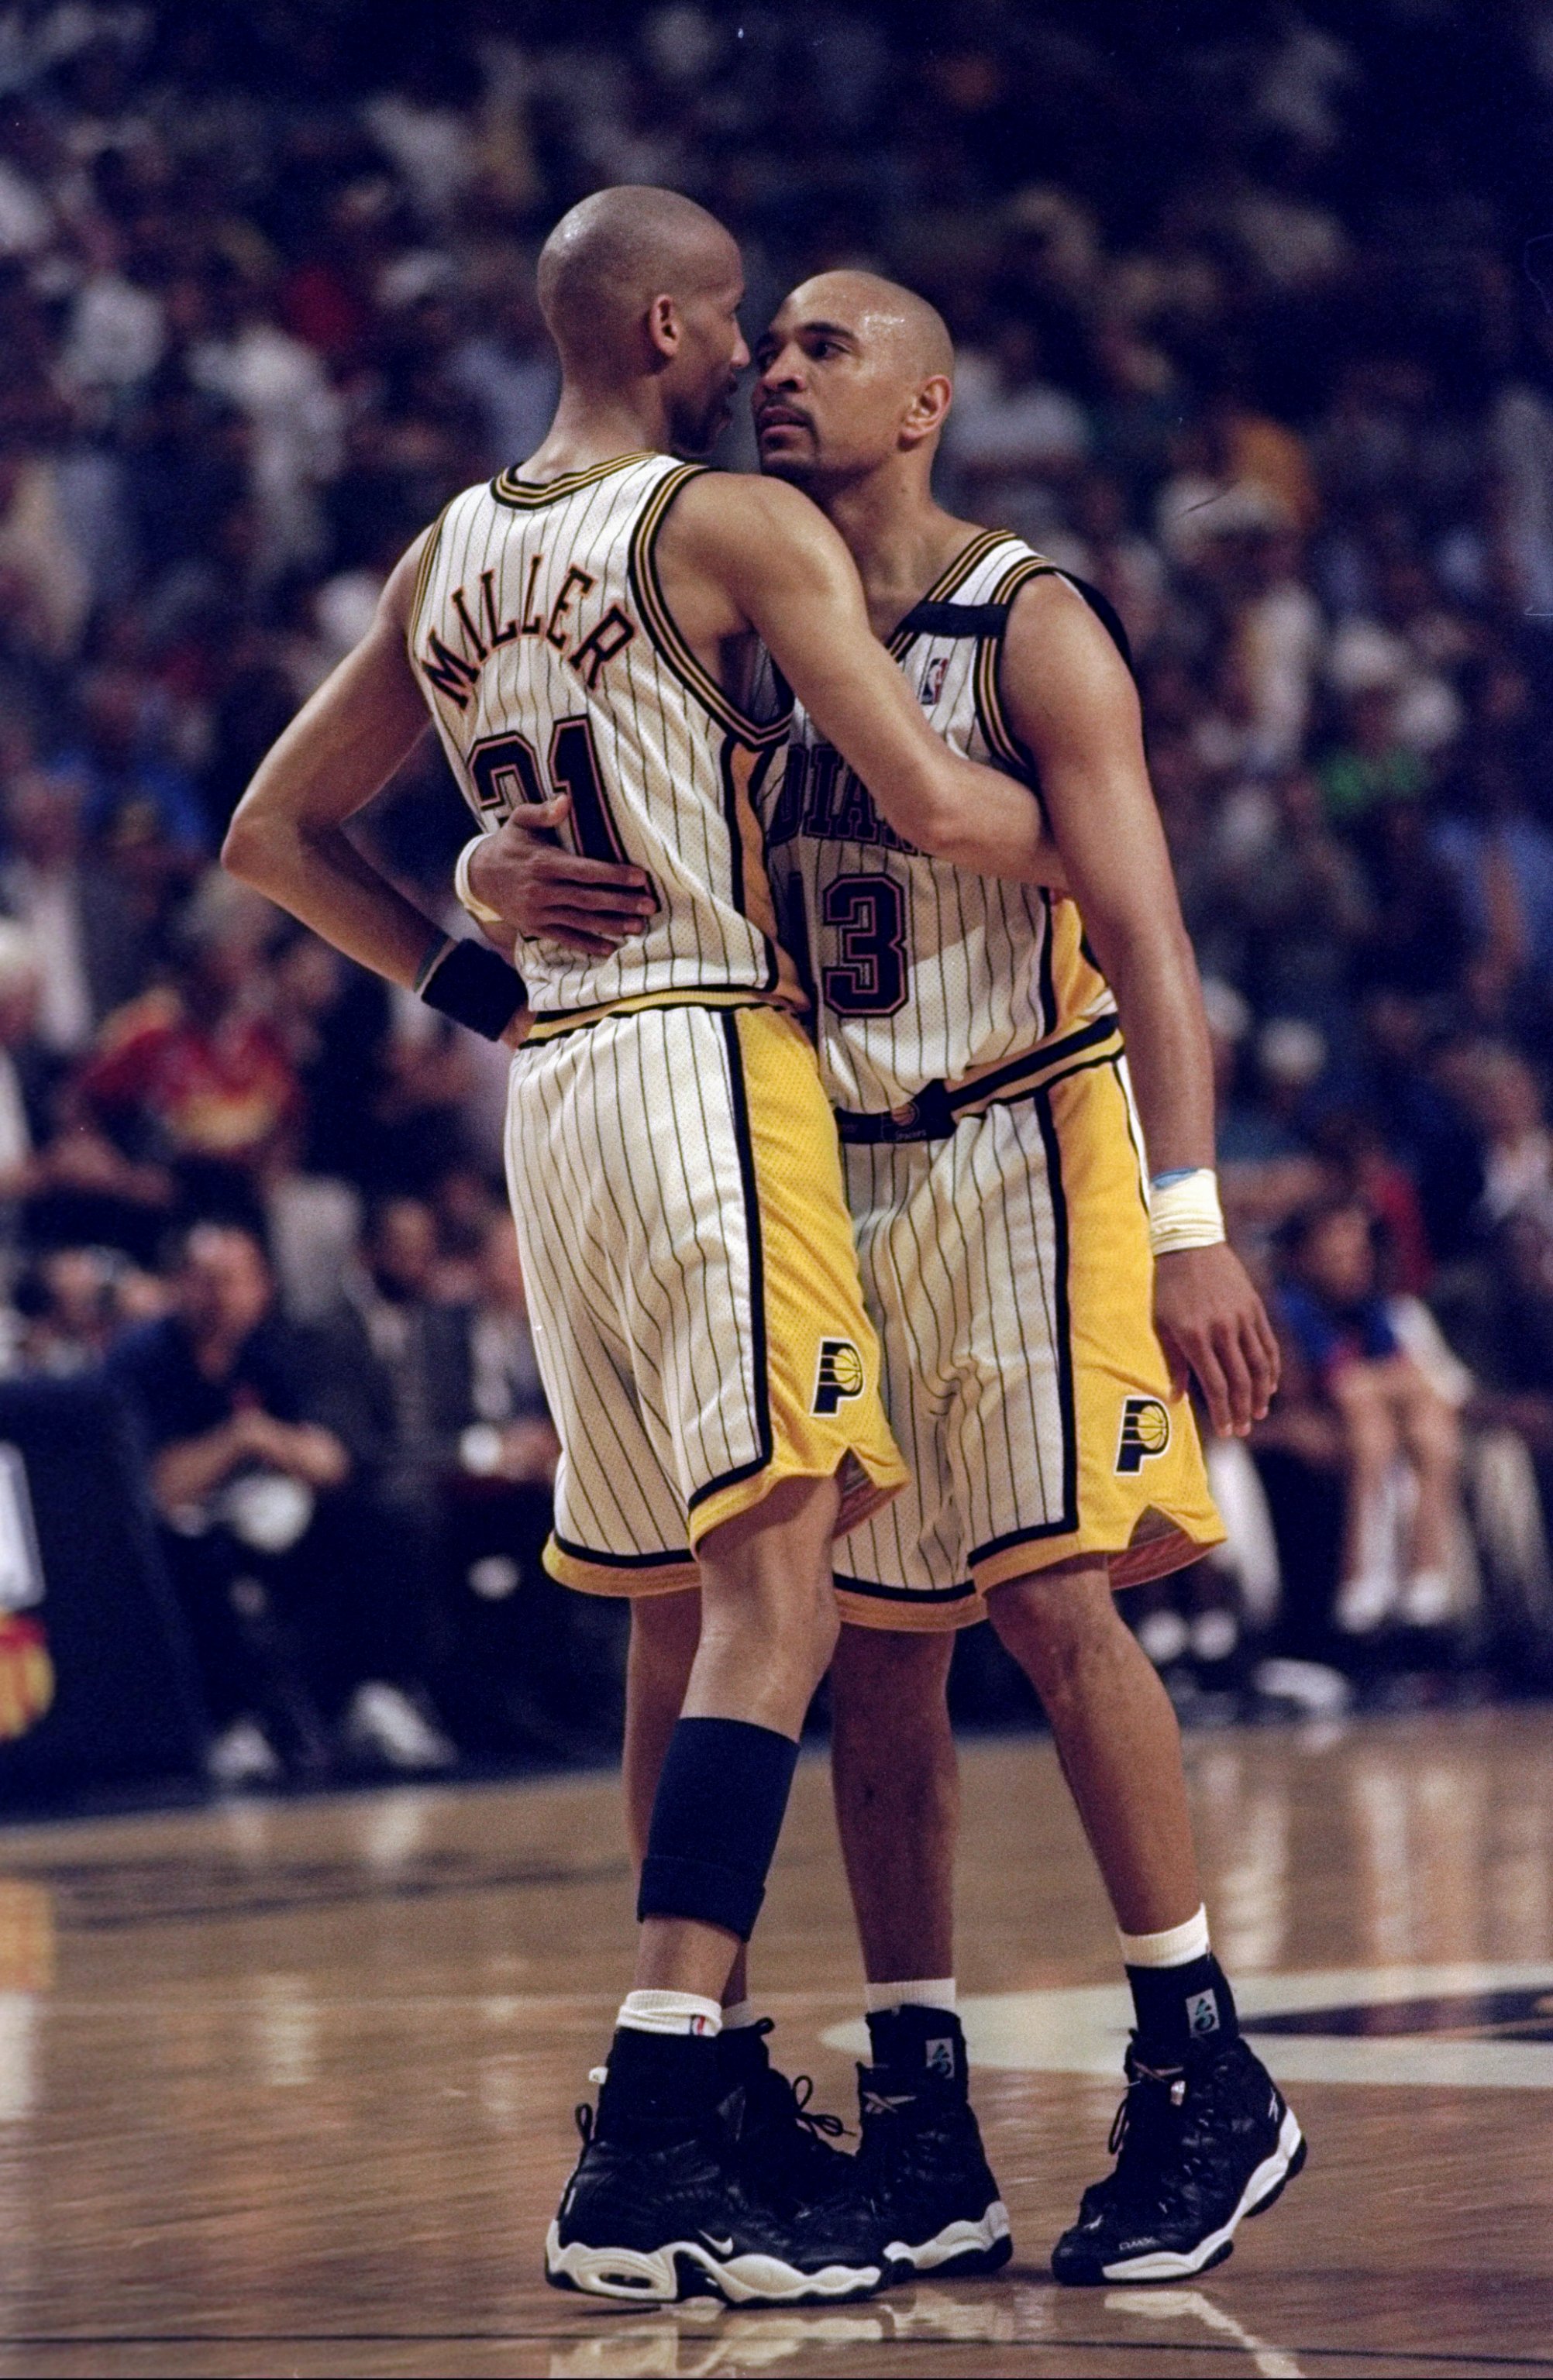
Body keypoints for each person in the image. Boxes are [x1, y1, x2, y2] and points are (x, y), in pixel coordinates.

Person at [222, 187, 1062, 2306]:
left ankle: (690, 2087)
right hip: (710, 1063)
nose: (767, 365)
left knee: (670, 1612)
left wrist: (478, 957)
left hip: (558, 1096)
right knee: (780, 1580)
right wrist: (1114, 866)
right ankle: (658, 2119)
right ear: (677, 326)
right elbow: (938, 812)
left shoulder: (451, 545)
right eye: (744, 331)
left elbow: (271, 834)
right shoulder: (730, 529)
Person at [494, 270, 1304, 2286]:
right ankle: (921, 2118)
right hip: (822, 1161)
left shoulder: (1026, 622)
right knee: (872, 1650)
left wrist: (1192, 1221)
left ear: (927, 398)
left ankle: (1202, 2061)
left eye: (823, 349)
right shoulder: (740, 623)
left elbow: (1151, 940)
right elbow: (550, 803)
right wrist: (476, 877)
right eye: (762, 348)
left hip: (1028, 1133)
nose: (775, 371)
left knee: (1048, 1598)